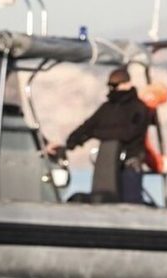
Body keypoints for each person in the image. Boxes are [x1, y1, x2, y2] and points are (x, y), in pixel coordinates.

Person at [47, 67, 152, 204]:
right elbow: (87, 127)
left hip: (130, 165)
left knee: (130, 202)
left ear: (127, 84)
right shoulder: (107, 108)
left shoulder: (139, 108)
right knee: (103, 198)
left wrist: (98, 133)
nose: (112, 90)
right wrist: (67, 145)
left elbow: (128, 133)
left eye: (115, 86)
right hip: (107, 164)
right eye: (110, 86)